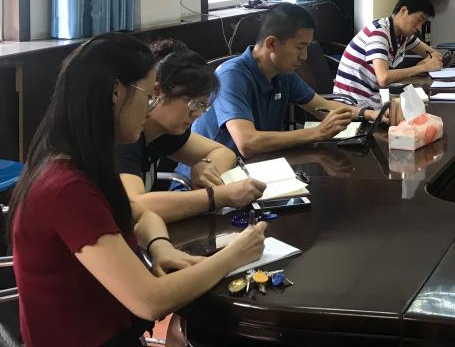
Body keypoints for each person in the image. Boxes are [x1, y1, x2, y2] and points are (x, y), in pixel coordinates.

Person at [10, 33, 266, 347]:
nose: (149, 109)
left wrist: (160, 247)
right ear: (117, 93)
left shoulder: (84, 161)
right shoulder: (67, 188)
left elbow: (141, 214)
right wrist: (233, 255)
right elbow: (149, 300)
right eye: (148, 96)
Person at [117, 39, 265, 223]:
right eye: (193, 103)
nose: (197, 114)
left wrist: (205, 168)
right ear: (157, 91)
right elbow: (136, 206)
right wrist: (218, 196)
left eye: (203, 106)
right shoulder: (125, 136)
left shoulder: (165, 131)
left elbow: (224, 153)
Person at [190, 3, 357, 158]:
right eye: (299, 47)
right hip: (211, 172)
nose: (304, 56)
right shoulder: (231, 76)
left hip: (257, 165)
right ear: (271, 44)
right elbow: (247, 143)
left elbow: (322, 108)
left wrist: (367, 114)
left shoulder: (283, 73)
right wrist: (318, 132)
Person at [332, 0, 445, 111]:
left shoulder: (403, 36)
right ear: (404, 11)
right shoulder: (379, 33)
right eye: (419, 20)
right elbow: (383, 78)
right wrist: (423, 67)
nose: (419, 27)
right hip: (352, 104)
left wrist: (428, 62)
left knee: (421, 107)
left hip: (372, 98)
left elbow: (435, 55)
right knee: (421, 110)